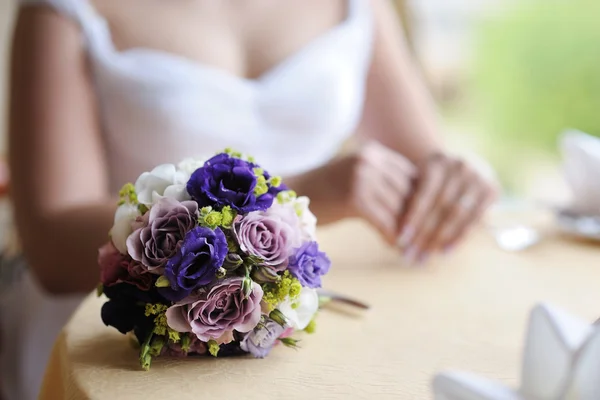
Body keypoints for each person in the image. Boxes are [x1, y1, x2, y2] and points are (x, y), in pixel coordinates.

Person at [3, 0, 498, 398]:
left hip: (314, 320)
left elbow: (427, 174)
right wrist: (305, 192)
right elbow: (50, 241)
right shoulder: (61, 10)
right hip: (128, 341)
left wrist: (462, 176)